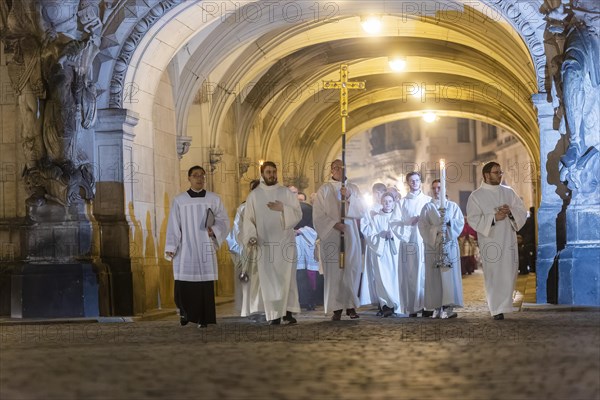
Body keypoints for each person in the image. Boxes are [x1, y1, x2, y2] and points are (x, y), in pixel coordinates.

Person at [165, 166, 230, 328]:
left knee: (204, 285)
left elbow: (224, 221)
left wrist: (214, 229)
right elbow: (174, 225)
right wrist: (171, 246)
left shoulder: (214, 199)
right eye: (195, 175)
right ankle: (185, 313)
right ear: (189, 178)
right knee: (184, 283)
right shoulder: (180, 200)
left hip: (205, 246)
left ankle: (204, 318)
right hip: (185, 248)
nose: (199, 178)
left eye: (202, 175)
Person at [241, 161, 303, 325]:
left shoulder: (286, 193)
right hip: (265, 245)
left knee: (287, 278)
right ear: (262, 173)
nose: (272, 175)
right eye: (268, 172)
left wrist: (284, 208)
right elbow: (248, 220)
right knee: (270, 280)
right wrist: (251, 236)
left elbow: (298, 214)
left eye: (274, 172)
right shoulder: (254, 195)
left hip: (285, 244)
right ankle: (274, 314)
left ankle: (288, 312)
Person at [467, 162, 527, 320]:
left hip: (508, 240)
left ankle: (505, 304)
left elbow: (521, 210)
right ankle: (496, 308)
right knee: (493, 274)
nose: (500, 175)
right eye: (496, 172)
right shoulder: (476, 196)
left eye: (501, 172)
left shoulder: (509, 192)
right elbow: (473, 219)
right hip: (490, 241)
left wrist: (510, 212)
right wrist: (494, 218)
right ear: (486, 175)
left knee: (509, 272)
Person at [313, 159, 366, 320]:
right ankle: (336, 308)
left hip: (350, 234)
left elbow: (362, 210)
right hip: (332, 235)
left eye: (341, 167)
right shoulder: (324, 190)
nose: (338, 170)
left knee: (350, 269)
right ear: (331, 170)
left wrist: (349, 196)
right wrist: (334, 224)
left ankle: (350, 306)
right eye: (335, 168)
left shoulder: (353, 188)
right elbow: (318, 215)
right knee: (334, 272)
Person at [419, 180, 465, 319]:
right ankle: (436, 305)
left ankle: (448, 305)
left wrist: (449, 222)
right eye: (434, 188)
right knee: (434, 277)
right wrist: (436, 230)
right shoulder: (427, 207)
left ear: (445, 189)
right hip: (433, 246)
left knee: (448, 276)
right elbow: (423, 227)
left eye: (439, 187)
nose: (436, 190)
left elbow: (459, 223)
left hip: (449, 246)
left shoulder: (453, 206)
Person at [393, 171, 432, 317]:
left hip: (426, 242)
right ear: (408, 183)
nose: (414, 183)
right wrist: (409, 223)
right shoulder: (401, 203)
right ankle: (412, 307)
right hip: (409, 242)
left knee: (425, 273)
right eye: (411, 181)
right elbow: (395, 223)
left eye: (417, 180)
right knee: (411, 273)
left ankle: (427, 305)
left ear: (420, 181)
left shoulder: (428, 201)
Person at [225, 179, 263, 319]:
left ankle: (267, 309)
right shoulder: (243, 208)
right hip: (249, 251)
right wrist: (242, 249)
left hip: (267, 251)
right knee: (250, 281)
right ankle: (250, 310)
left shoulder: (270, 207)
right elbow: (236, 231)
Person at [361, 192, 401, 317]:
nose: (387, 204)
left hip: (395, 253)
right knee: (382, 278)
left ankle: (397, 304)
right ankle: (385, 305)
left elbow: (405, 233)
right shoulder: (376, 218)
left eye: (390, 201)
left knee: (395, 278)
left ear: (394, 202)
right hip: (381, 253)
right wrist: (382, 235)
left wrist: (393, 236)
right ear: (381, 203)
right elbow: (370, 236)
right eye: (385, 201)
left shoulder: (398, 217)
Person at [359, 182, 388, 310]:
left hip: (387, 247)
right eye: (376, 193)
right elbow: (364, 228)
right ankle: (378, 301)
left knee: (387, 274)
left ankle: (388, 300)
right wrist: (376, 236)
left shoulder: (389, 207)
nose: (378, 195)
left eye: (381, 192)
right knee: (375, 274)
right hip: (374, 246)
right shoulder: (368, 209)